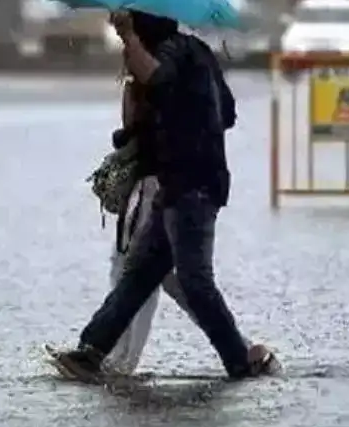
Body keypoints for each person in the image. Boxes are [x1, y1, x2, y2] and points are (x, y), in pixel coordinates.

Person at [50, 9, 272, 382]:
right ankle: (91, 353)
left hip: (192, 186)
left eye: (132, 27)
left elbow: (158, 79)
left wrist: (129, 42)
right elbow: (227, 113)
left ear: (144, 27)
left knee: (193, 280)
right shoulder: (195, 52)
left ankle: (240, 359)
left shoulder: (172, 54)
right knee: (138, 274)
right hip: (177, 184)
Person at [105, 71, 278, 377]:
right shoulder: (177, 77)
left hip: (159, 187)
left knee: (138, 271)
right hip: (170, 187)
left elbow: (136, 133)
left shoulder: (156, 79)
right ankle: (242, 349)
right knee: (162, 275)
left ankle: (116, 358)